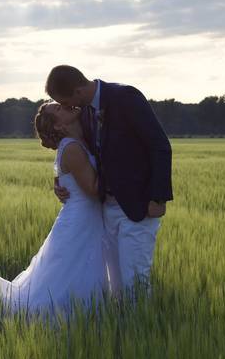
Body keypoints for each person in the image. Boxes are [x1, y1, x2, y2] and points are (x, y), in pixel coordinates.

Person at [0, 102, 107, 319]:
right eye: (57, 109)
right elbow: (95, 191)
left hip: (83, 217)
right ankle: (73, 314)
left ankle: (88, 311)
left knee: (74, 269)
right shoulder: (73, 149)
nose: (63, 106)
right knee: (70, 271)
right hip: (81, 219)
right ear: (57, 126)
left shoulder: (79, 140)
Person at [45, 65, 172, 297]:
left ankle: (139, 330)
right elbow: (79, 152)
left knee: (135, 281)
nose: (66, 108)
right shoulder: (82, 111)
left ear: (77, 92)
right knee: (116, 286)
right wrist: (60, 180)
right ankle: (122, 330)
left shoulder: (125, 97)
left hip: (138, 206)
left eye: (64, 102)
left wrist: (159, 197)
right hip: (106, 208)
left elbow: (160, 145)